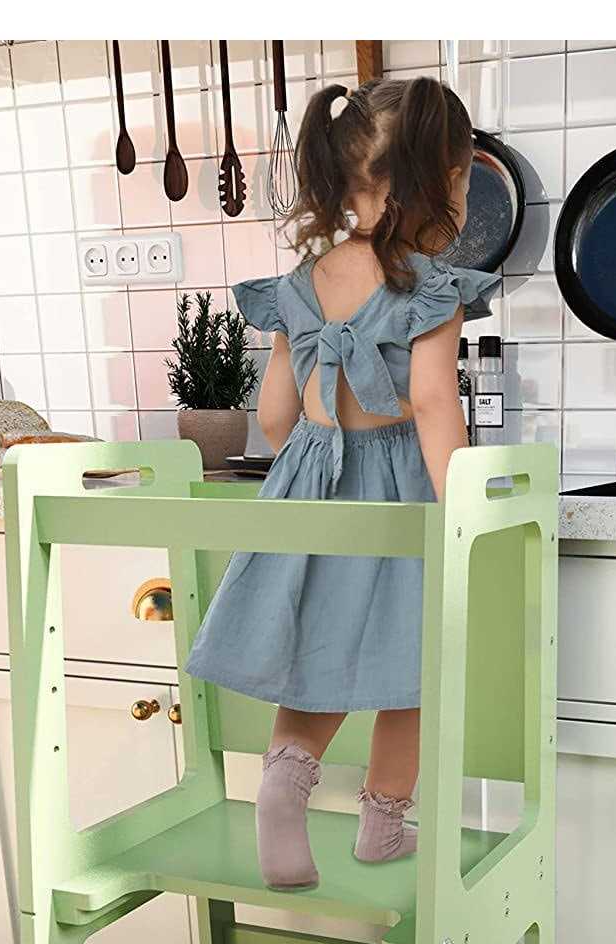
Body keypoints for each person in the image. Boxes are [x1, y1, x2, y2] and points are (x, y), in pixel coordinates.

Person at [184, 75, 497, 890]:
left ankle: (284, 786)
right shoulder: (430, 288)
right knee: (416, 663)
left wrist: (313, 457)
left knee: (316, 650)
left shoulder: (302, 283)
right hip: (399, 492)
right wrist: (463, 508)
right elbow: (433, 405)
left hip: (310, 485)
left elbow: (274, 413)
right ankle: (381, 823)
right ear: (440, 182)